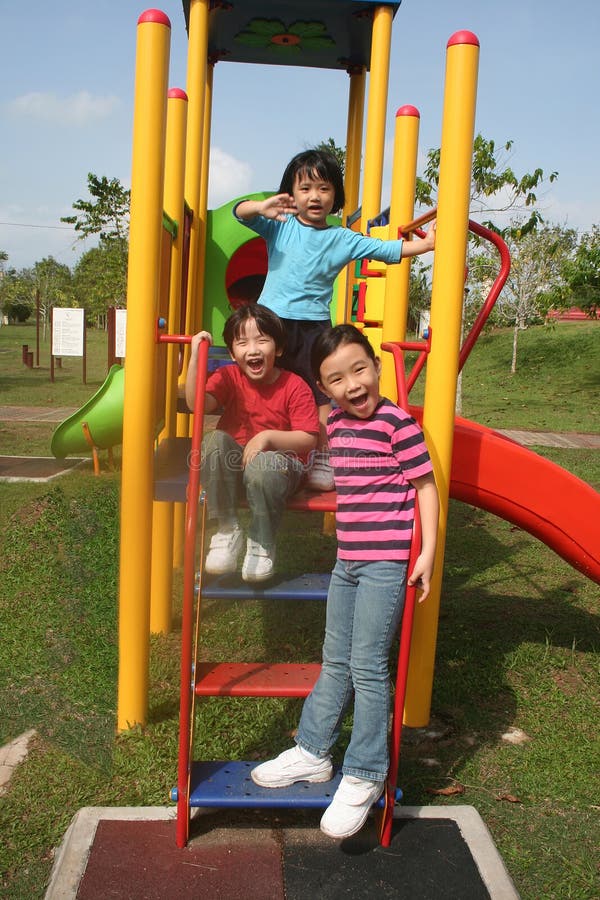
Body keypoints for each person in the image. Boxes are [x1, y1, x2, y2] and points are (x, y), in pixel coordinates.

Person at [251, 324, 440, 839]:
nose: (352, 384)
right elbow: (340, 470)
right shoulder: (336, 423)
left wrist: (425, 552)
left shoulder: (398, 422)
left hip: (384, 565)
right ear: (324, 388)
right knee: (335, 659)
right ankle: (313, 752)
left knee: (369, 666)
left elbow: (425, 486)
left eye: (359, 369)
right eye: (336, 378)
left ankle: (364, 773)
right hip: (348, 562)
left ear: (377, 366)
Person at [234, 149, 435, 491]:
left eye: (324, 189)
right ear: (291, 194)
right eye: (306, 188)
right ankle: (246, 444)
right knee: (262, 384)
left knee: (321, 395)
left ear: (336, 195)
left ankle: (321, 455)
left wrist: (427, 245)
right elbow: (241, 213)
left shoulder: (341, 237)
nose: (315, 196)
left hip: (313, 326)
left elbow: (384, 250)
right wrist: (259, 206)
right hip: (272, 323)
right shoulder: (280, 227)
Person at [185, 304, 319, 582]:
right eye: (242, 342)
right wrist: (196, 355)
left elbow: (308, 438)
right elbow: (196, 404)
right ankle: (227, 529)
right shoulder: (228, 377)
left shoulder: (294, 386)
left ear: (278, 348)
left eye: (262, 340)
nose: (253, 349)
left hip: (280, 466)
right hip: (236, 466)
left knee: (266, 464)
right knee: (213, 442)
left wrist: (266, 437)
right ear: (233, 353)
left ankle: (261, 541)